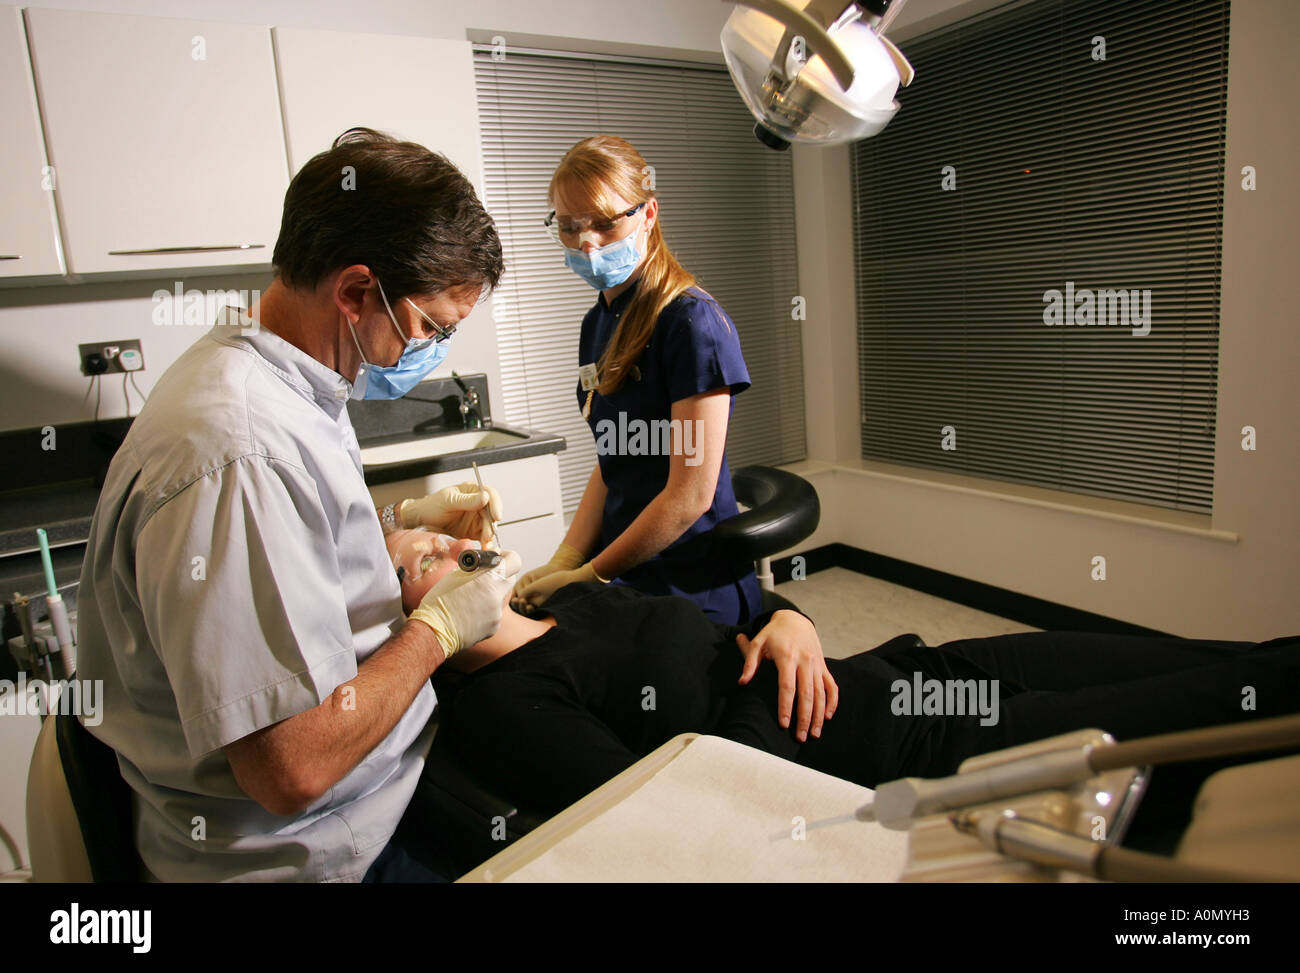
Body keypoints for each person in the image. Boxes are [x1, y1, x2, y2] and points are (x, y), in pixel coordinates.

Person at [75, 129, 522, 883]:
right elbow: (292, 768)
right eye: (430, 328)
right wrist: (438, 630)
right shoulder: (240, 450)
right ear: (354, 292)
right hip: (321, 852)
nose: (435, 351)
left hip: (377, 790)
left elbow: (286, 577)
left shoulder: (282, 372)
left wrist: (396, 529)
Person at [392, 528, 1300, 847]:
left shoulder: (574, 594)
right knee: (1238, 705)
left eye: (428, 536)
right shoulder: (505, 705)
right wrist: (775, 675)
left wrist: (792, 622)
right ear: (413, 627)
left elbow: (733, 631)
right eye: (413, 565)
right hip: (911, 753)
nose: (441, 549)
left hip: (913, 669)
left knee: (1231, 658)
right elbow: (687, 798)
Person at [514, 135, 763, 626]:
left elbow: (688, 497)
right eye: (568, 227)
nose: (587, 243)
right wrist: (567, 559)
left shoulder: (692, 325)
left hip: (689, 583)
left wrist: (589, 575)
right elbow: (615, 463)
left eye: (605, 223)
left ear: (648, 214)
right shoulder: (599, 321)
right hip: (624, 568)